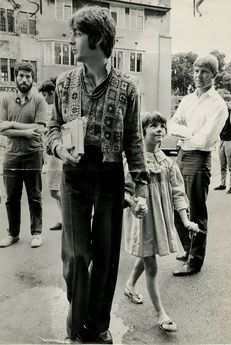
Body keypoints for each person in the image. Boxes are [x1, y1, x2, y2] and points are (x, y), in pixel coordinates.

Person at [46, 6, 148, 344]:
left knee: (105, 257)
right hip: (74, 174)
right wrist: (60, 150)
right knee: (76, 256)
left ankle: (98, 324)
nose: (72, 39)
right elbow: (52, 130)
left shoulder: (128, 88)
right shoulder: (63, 83)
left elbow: (134, 142)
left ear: (98, 38)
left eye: (77, 33)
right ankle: (76, 327)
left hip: (109, 176)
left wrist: (141, 188)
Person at [123, 112, 200, 334]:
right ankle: (161, 314)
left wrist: (186, 221)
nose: (160, 130)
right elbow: (124, 191)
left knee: (149, 253)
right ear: (143, 131)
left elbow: (178, 194)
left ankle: (129, 285)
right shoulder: (135, 162)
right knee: (152, 265)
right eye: (154, 126)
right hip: (143, 219)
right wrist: (134, 202)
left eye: (162, 126)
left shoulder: (168, 163)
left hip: (160, 218)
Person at [168, 54, 228, 276]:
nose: (199, 76)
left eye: (204, 71)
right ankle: (188, 249)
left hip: (198, 159)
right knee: (177, 205)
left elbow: (204, 140)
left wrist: (184, 133)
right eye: (196, 71)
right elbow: (171, 124)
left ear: (214, 75)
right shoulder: (187, 100)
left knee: (196, 211)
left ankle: (195, 261)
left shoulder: (218, 105)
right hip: (182, 154)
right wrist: (189, 132)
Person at [0, 61, 46, 248]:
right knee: (11, 198)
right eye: (21, 75)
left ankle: (36, 233)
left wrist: (12, 124)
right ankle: (13, 233)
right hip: (11, 155)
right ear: (16, 77)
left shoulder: (39, 100)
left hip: (33, 154)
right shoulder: (5, 100)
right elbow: (1, 128)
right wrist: (25, 132)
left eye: (28, 76)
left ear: (32, 80)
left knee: (34, 196)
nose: (24, 79)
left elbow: (41, 128)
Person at [38, 77, 63, 230]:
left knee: (55, 191)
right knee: (56, 190)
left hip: (57, 153)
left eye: (45, 95)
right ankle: (64, 218)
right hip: (51, 154)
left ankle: (67, 217)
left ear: (52, 93)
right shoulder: (52, 109)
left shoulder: (57, 109)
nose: (44, 99)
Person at [214, 94, 231, 194]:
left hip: (230, 141)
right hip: (222, 141)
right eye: (225, 101)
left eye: (228, 101)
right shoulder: (222, 113)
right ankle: (223, 184)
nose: (226, 103)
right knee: (222, 165)